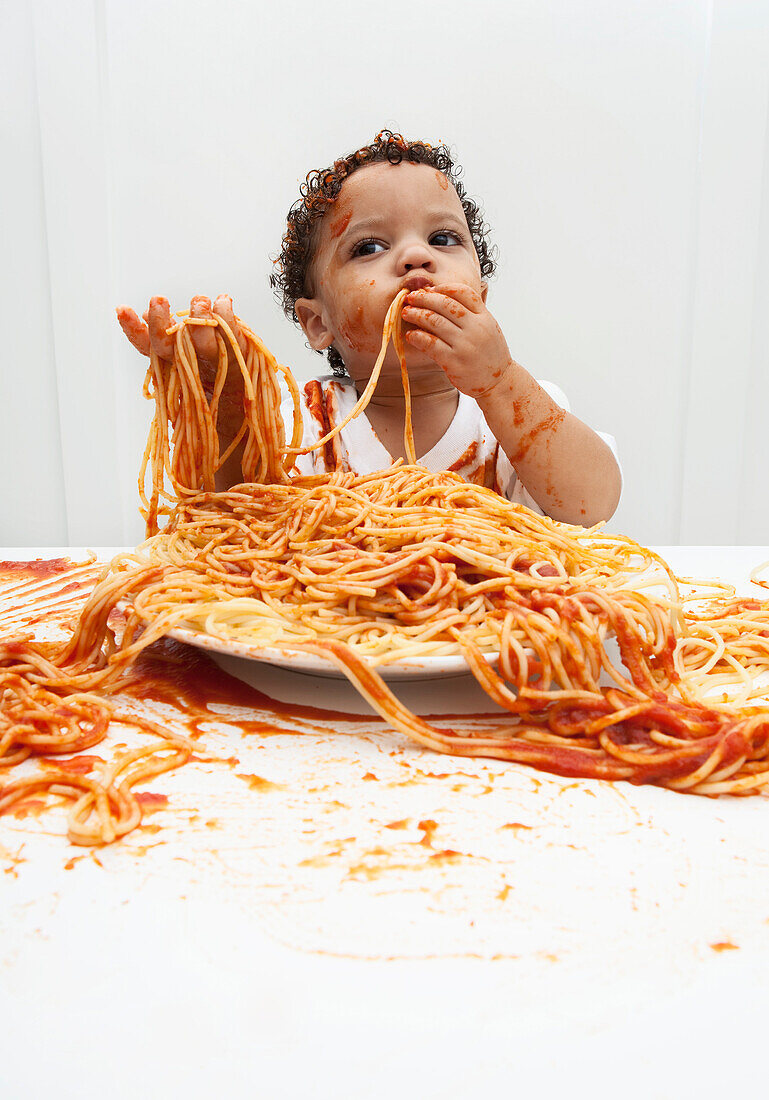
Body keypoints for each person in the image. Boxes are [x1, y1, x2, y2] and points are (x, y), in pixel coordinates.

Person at [118, 131, 621, 526]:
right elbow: (234, 519)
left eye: (443, 238)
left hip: (488, 648)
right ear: (319, 325)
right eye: (369, 248)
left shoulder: (515, 417)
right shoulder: (302, 426)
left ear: (482, 303)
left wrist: (501, 381)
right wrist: (225, 403)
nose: (416, 257)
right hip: (325, 644)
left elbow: (592, 505)